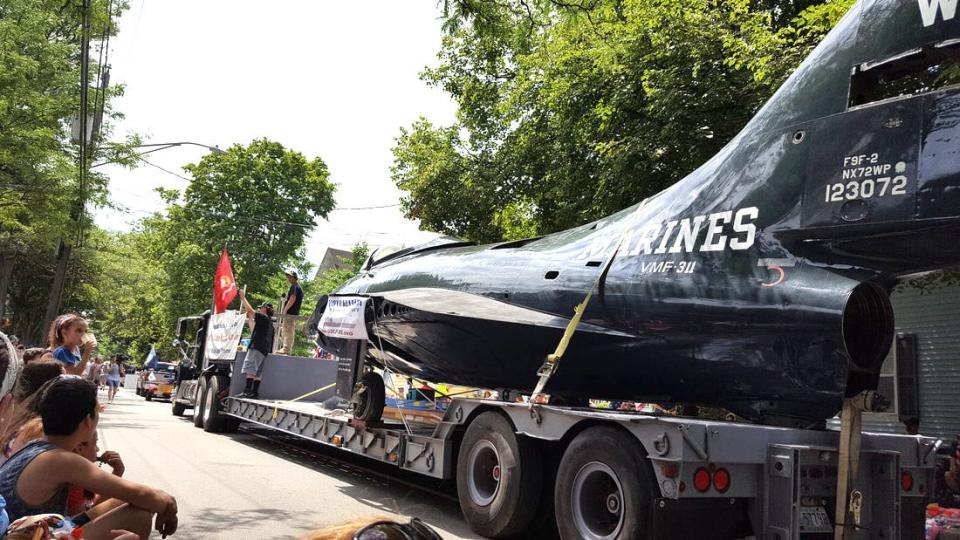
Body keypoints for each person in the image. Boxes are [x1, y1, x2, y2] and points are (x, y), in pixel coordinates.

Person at [0, 377, 178, 538]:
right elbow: (143, 494)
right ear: (88, 420)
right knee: (139, 516)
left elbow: (135, 494)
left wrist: (163, 502)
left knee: (126, 499)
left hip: (38, 531)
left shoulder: (37, 447)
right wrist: (169, 506)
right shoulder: (60, 459)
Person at [237, 289, 274, 398]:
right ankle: (254, 392)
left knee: (250, 368)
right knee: (257, 372)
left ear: (265, 309)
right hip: (263, 350)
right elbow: (254, 330)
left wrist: (243, 298)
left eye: (261, 308)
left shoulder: (264, 317)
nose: (260, 309)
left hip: (257, 348)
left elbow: (252, 311)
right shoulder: (269, 323)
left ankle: (247, 391)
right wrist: (250, 319)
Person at [279, 269, 304, 355]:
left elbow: (292, 298)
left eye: (290, 277)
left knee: (288, 330)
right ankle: (285, 348)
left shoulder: (294, 286)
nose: (288, 278)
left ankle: (286, 349)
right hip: (292, 313)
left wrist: (285, 310)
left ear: (294, 278)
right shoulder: (297, 287)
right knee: (286, 329)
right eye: (288, 277)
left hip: (291, 313)